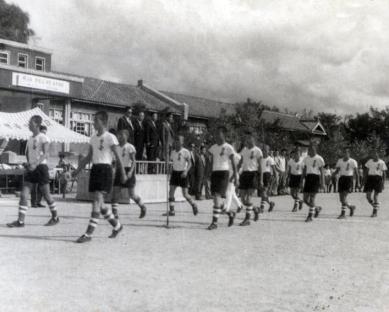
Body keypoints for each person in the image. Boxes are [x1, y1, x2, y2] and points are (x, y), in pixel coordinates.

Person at [72, 111, 126, 243]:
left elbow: (118, 157)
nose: (93, 123)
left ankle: (88, 234)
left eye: (95, 120)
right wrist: (77, 170)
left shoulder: (110, 137)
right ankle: (117, 226)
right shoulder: (93, 138)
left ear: (103, 122)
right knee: (100, 205)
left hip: (106, 170)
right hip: (95, 169)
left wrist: (123, 172)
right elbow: (89, 157)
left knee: (96, 201)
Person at [7, 115, 59, 228]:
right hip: (31, 169)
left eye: (30, 122)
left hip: (41, 168)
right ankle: (20, 221)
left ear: (36, 124)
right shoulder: (30, 138)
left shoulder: (43, 137)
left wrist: (36, 163)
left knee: (46, 195)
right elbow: (28, 154)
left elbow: (46, 154)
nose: (29, 124)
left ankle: (55, 217)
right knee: (24, 195)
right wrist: (28, 163)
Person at [111, 129, 147, 220]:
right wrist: (114, 170)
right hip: (119, 170)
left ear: (127, 136)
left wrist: (131, 172)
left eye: (123, 135)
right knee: (115, 192)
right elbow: (115, 161)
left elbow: (134, 161)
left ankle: (142, 207)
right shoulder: (116, 147)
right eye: (119, 135)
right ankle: (115, 214)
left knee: (132, 195)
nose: (120, 137)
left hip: (128, 169)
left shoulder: (130, 147)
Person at [207, 126, 238, 230]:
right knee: (217, 200)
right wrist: (207, 175)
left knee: (217, 198)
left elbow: (233, 163)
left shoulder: (229, 147)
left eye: (218, 133)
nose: (216, 135)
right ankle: (230, 213)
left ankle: (214, 223)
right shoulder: (213, 147)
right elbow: (210, 162)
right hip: (214, 173)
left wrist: (235, 177)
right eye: (215, 134)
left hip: (224, 173)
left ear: (223, 135)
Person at [163, 135, 198, 217]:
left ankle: (193, 204)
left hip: (183, 173)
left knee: (185, 194)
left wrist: (186, 171)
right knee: (171, 191)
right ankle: (172, 211)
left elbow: (190, 163)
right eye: (176, 141)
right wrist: (167, 164)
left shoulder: (186, 151)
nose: (177, 142)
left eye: (179, 141)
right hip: (175, 173)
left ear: (182, 142)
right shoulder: (172, 152)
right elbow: (170, 161)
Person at [238, 131, 263, 226]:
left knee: (248, 199)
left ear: (253, 139)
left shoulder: (258, 150)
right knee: (243, 200)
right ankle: (255, 209)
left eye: (250, 138)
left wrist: (261, 179)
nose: (248, 140)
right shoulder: (244, 150)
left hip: (253, 174)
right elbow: (240, 163)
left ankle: (247, 219)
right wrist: (236, 174)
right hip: (244, 174)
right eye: (246, 139)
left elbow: (260, 166)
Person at [301, 143, 325, 222]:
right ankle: (316, 208)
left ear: (315, 149)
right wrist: (301, 181)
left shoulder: (319, 158)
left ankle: (310, 216)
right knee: (305, 199)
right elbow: (304, 171)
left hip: (315, 178)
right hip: (308, 178)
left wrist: (323, 183)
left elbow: (322, 172)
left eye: (312, 148)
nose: (310, 150)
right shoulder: (306, 158)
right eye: (309, 149)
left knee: (312, 198)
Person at [333, 147, 359, 219]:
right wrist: (334, 175)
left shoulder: (353, 161)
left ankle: (343, 214)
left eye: (347, 152)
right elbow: (337, 170)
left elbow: (357, 173)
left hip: (349, 179)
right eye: (344, 152)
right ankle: (351, 207)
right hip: (342, 179)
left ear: (349, 153)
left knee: (344, 197)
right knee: (341, 199)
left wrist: (358, 182)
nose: (345, 153)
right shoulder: (340, 161)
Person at [364, 149, 387, 217]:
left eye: (376, 154)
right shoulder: (369, 161)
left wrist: (383, 183)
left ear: (378, 155)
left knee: (375, 196)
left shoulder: (382, 162)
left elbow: (384, 173)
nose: (375, 155)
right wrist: (365, 179)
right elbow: (366, 170)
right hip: (370, 179)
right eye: (373, 154)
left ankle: (374, 212)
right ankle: (376, 205)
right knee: (368, 196)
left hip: (378, 179)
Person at [31, 125, 48, 208]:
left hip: (39, 163)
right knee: (38, 184)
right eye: (43, 132)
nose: (44, 134)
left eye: (45, 132)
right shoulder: (39, 138)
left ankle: (37, 202)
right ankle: (35, 202)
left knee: (39, 184)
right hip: (38, 163)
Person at [257, 146, 276, 214]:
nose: (264, 151)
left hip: (267, 176)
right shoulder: (260, 158)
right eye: (263, 150)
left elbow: (274, 170)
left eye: (266, 150)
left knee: (263, 192)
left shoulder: (270, 159)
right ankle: (271, 203)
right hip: (261, 175)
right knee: (262, 192)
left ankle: (261, 208)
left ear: (268, 151)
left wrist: (274, 178)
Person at [287, 148, 304, 212]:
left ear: (300, 154)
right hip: (292, 176)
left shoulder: (302, 161)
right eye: (295, 153)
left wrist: (302, 180)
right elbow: (289, 170)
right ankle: (300, 201)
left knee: (297, 193)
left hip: (299, 176)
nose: (296, 155)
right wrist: (288, 178)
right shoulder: (291, 161)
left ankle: (295, 207)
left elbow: (304, 171)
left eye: (298, 153)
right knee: (292, 193)